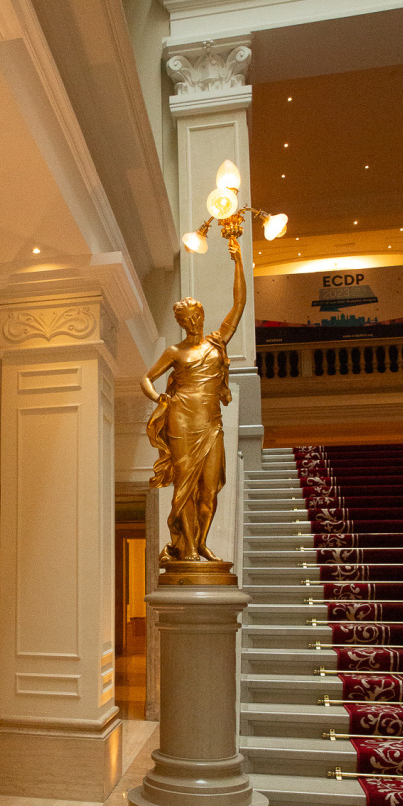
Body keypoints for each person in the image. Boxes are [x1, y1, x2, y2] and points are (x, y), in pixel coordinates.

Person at [141, 232, 246, 562]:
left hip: (211, 422)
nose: (193, 322)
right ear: (180, 322)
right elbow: (146, 378)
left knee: (210, 489)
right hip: (181, 418)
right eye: (186, 319)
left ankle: (199, 542)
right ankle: (187, 550)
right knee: (183, 486)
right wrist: (159, 397)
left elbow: (239, 305)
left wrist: (238, 261)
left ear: (202, 315)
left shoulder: (217, 342)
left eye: (196, 316)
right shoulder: (175, 351)